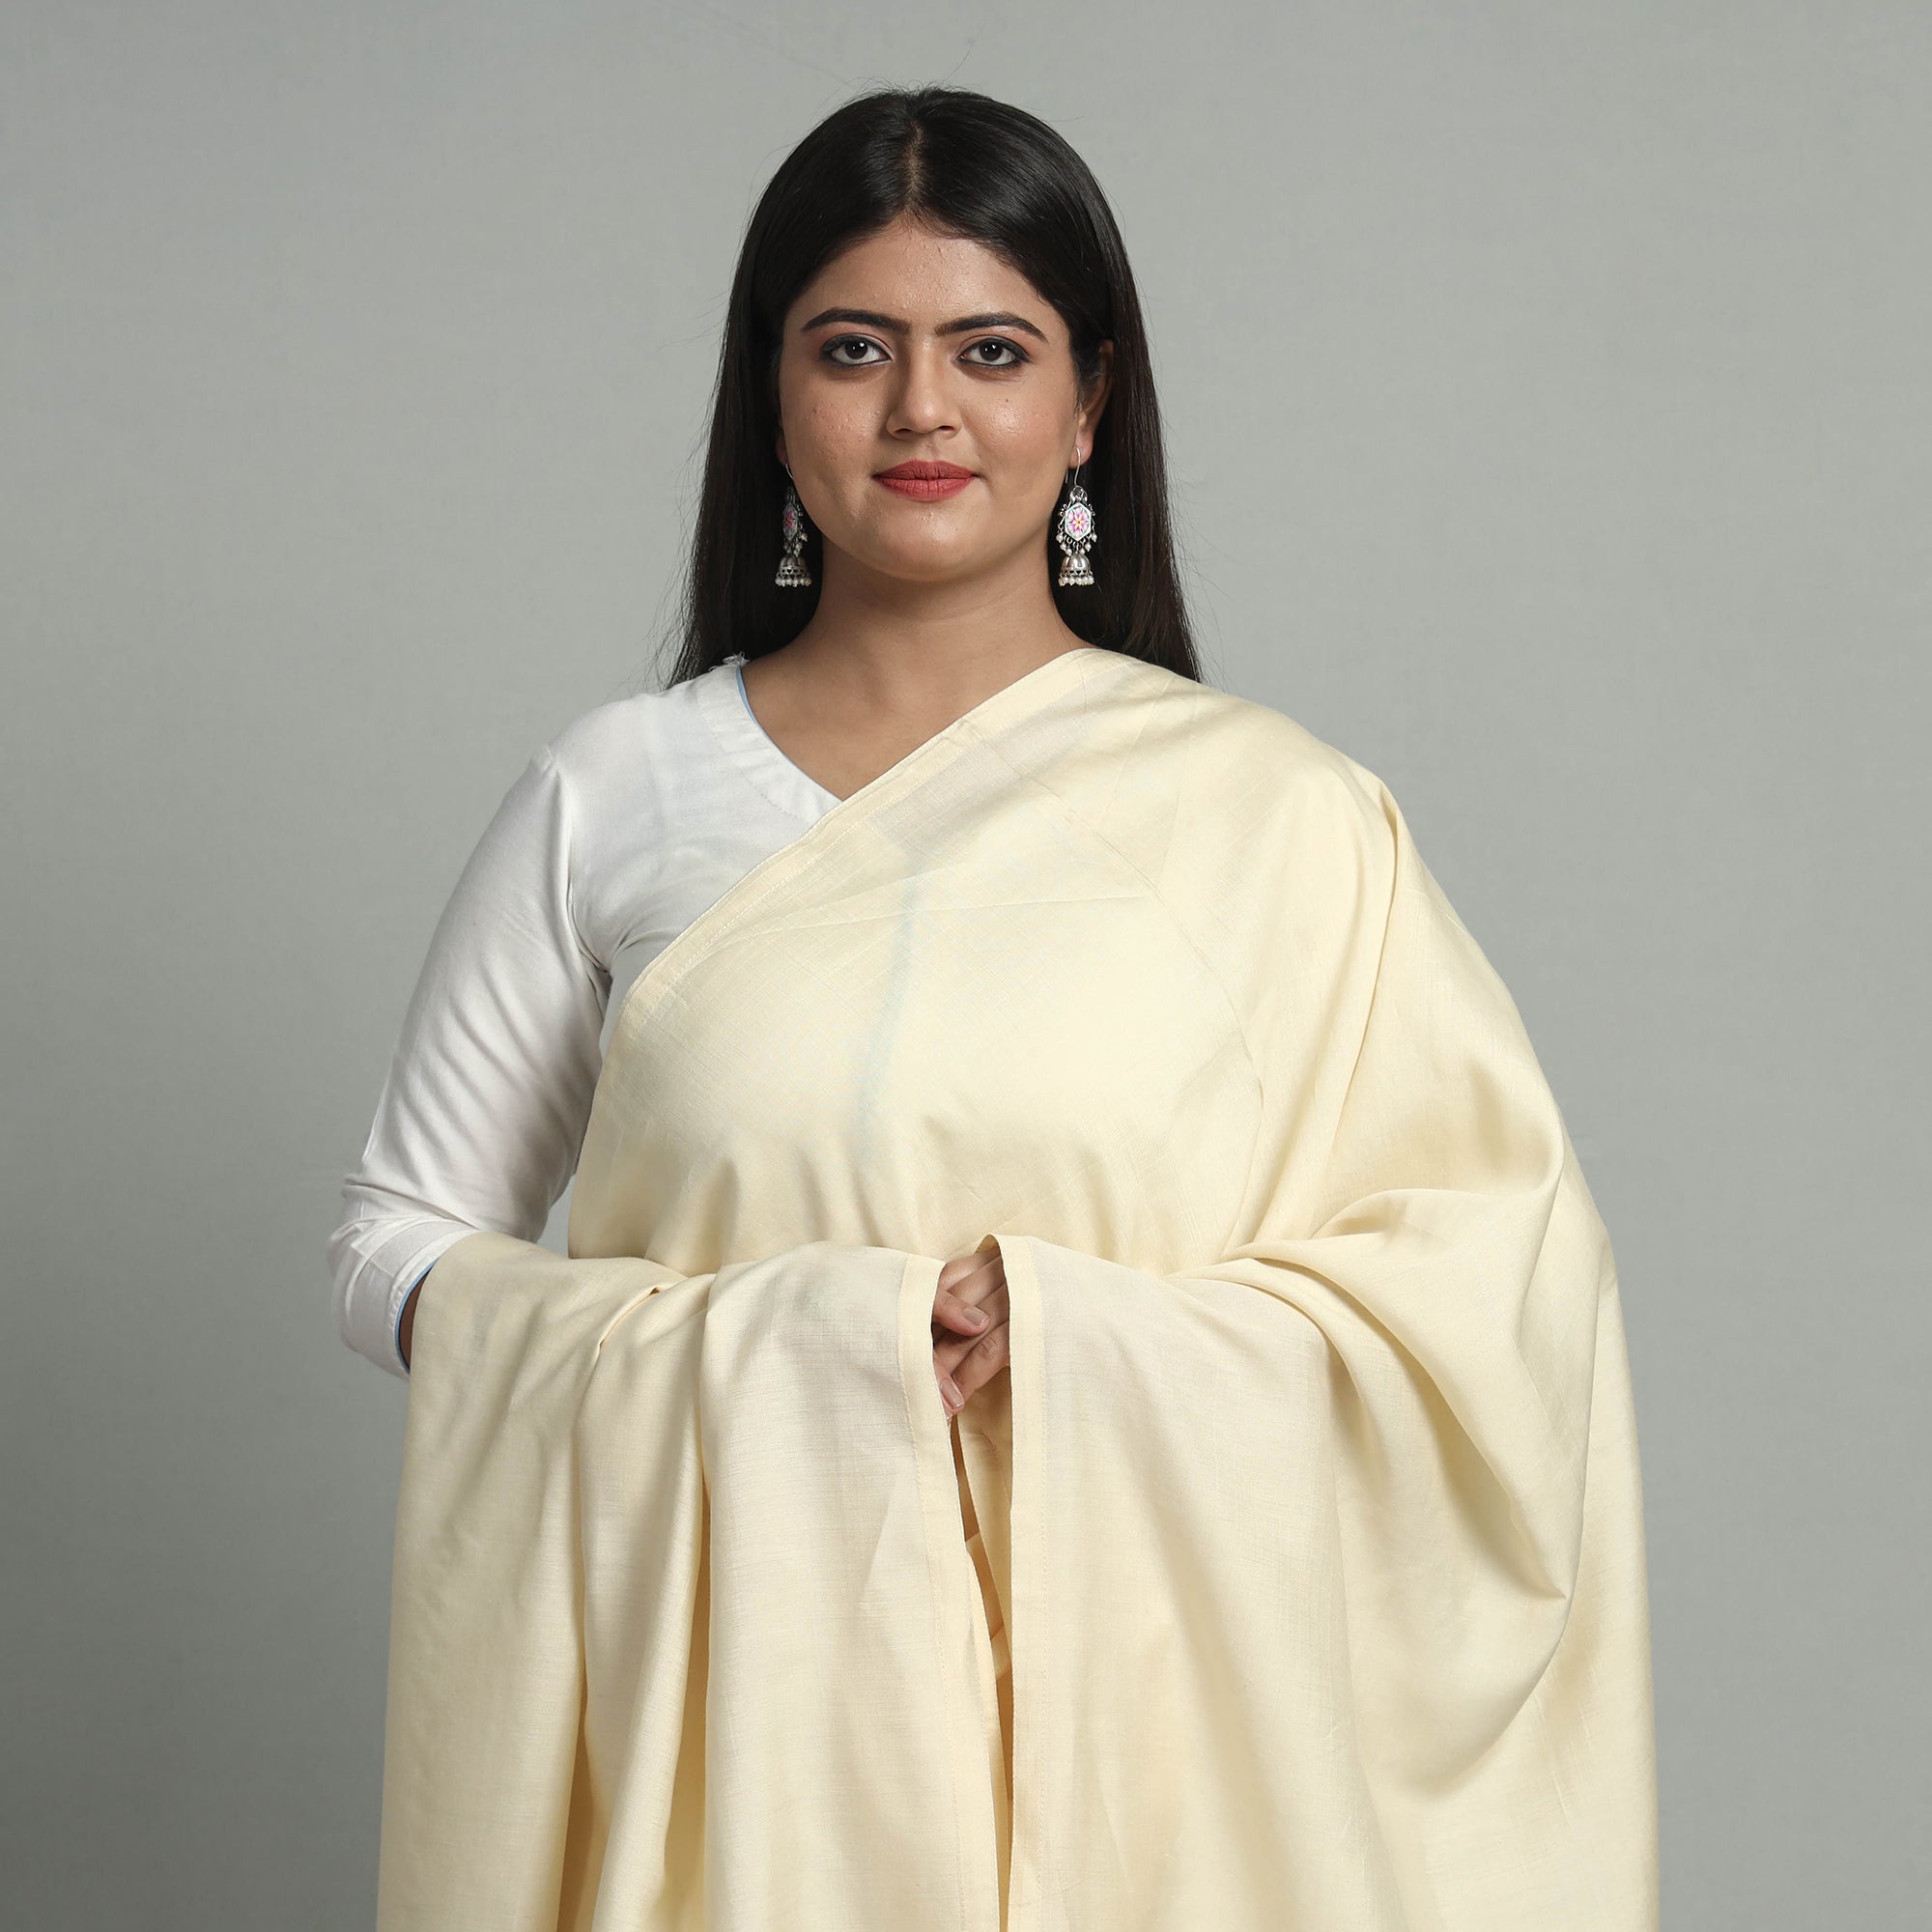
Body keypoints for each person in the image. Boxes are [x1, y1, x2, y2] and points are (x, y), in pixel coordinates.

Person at [334, 86, 1658, 1931]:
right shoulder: (619, 793)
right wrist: (768, 1352)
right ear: (771, 392)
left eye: (992, 350)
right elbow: (396, 1240)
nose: (921, 411)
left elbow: (1491, 1285)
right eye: (851, 349)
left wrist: (1087, 1337)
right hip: (739, 1751)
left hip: (1153, 1772)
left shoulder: (1280, 818)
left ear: (1090, 400)